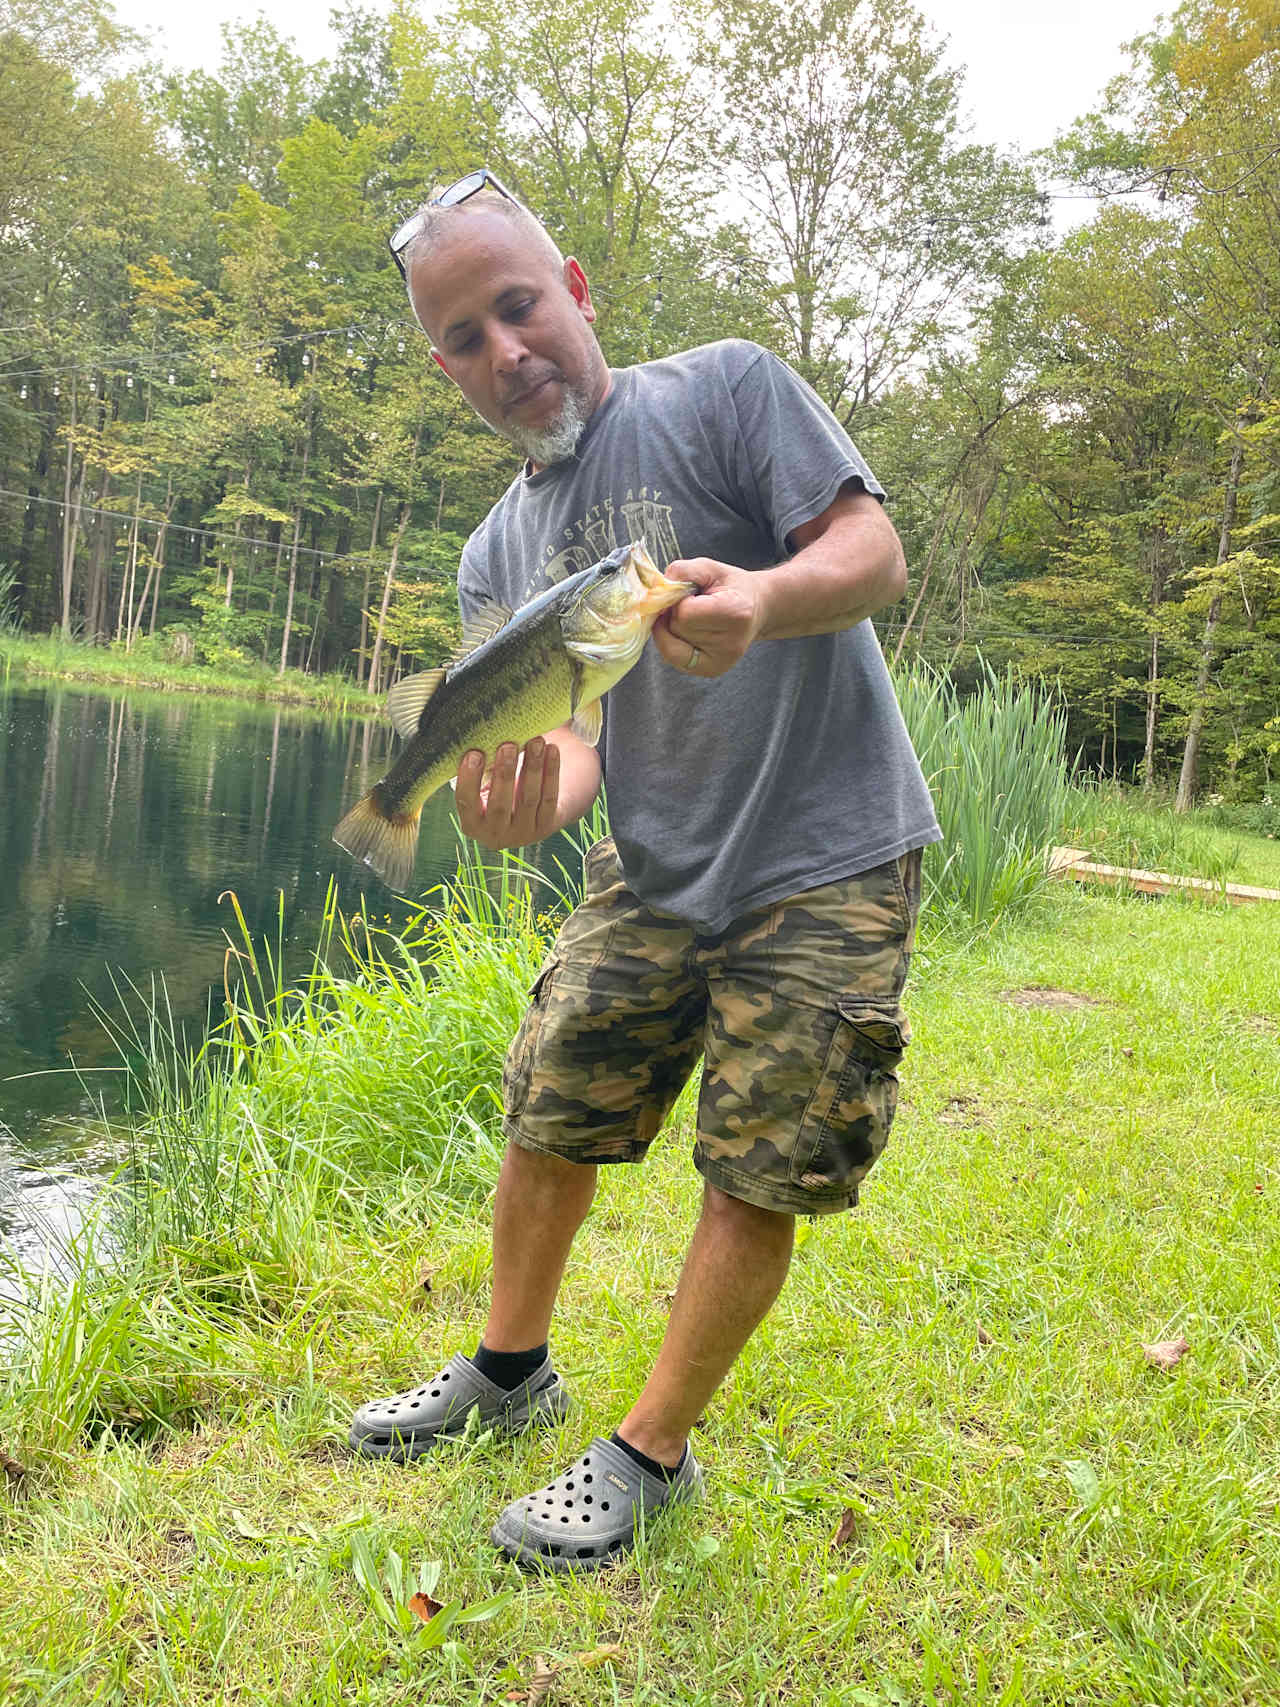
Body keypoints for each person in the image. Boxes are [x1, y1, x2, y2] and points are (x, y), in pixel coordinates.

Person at [348, 168, 942, 1573]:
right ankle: (507, 1371)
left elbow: (875, 550)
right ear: (443, 367)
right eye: (467, 338)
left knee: (763, 1157)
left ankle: (649, 1448)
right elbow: (574, 752)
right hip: (658, 866)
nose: (507, 353)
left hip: (828, 851)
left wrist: (769, 599)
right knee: (554, 1094)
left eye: (518, 307)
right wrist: (515, 806)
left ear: (575, 292)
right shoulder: (496, 548)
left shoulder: (729, 390)